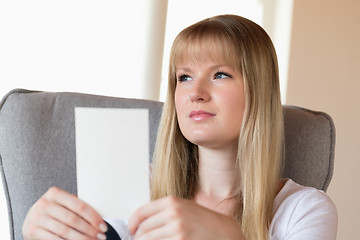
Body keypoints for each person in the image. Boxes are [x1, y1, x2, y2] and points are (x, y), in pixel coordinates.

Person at [22, 14, 337, 240]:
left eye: (220, 74)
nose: (195, 92)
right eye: (183, 77)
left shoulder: (303, 210)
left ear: (259, 90)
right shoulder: (134, 186)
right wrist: (38, 231)